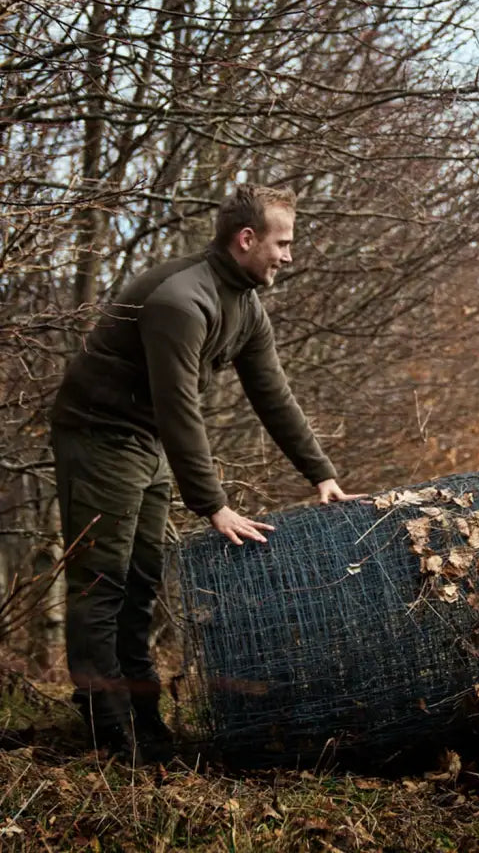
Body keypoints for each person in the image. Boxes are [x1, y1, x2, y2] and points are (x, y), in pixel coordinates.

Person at [51, 184, 358, 760]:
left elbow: (274, 395)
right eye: (282, 243)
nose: (289, 256)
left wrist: (321, 474)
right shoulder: (180, 301)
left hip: (147, 442)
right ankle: (106, 728)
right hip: (98, 436)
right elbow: (179, 410)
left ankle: (145, 722)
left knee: (142, 583)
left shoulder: (245, 304)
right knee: (103, 581)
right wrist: (212, 504)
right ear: (247, 239)